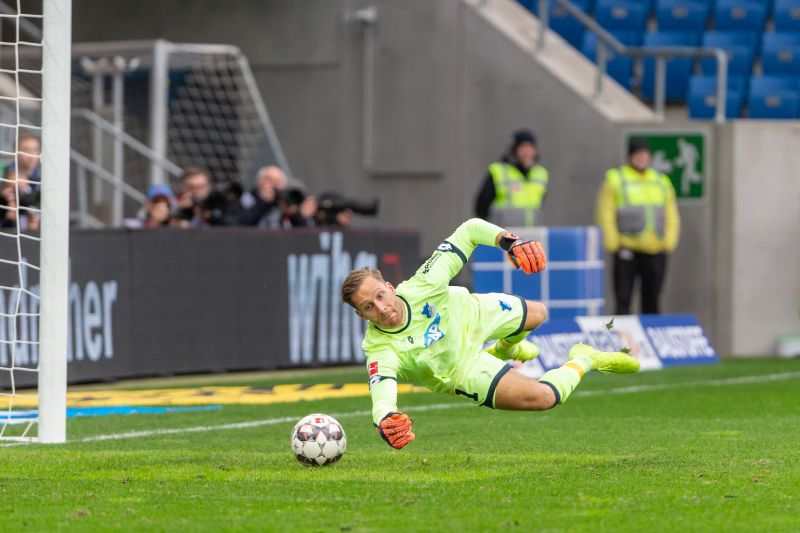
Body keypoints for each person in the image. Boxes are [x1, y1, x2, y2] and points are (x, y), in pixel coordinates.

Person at [340, 218, 640, 449]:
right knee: (545, 398)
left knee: (539, 313)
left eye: (381, 295)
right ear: (361, 315)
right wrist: (385, 421)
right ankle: (585, 358)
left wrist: (511, 243)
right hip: (463, 370)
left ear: (391, 288)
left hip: (474, 313)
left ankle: (507, 348)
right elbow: (382, 395)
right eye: (369, 306)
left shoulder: (424, 284)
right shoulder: (380, 350)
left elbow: (470, 230)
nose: (381, 308)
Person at [596, 138, 681, 315]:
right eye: (637, 154)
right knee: (623, 300)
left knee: (652, 300)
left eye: (644, 154)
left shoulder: (661, 181)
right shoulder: (616, 179)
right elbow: (606, 212)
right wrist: (614, 244)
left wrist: (668, 242)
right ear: (630, 157)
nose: (641, 158)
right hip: (627, 249)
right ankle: (622, 340)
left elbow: (671, 214)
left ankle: (649, 338)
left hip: (655, 249)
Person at [475, 129, 549, 227]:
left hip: (531, 235)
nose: (526, 152)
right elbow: (482, 206)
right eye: (523, 147)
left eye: (530, 147)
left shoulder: (541, 174)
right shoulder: (499, 171)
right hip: (504, 236)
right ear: (515, 149)